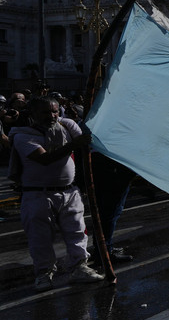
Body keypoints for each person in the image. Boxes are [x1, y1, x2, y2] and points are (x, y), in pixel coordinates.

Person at [10, 96, 104, 292]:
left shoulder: (67, 125)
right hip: (38, 195)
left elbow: (87, 141)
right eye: (45, 112)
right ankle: (44, 273)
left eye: (54, 111)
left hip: (69, 192)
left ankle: (79, 267)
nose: (51, 116)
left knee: (77, 231)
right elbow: (45, 159)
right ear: (33, 114)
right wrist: (74, 144)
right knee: (40, 237)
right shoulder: (22, 135)